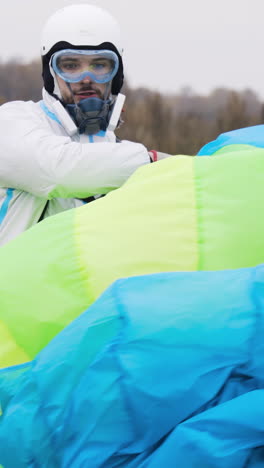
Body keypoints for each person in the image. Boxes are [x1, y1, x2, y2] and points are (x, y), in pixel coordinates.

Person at [0, 4, 169, 246]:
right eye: (70, 66)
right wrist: (153, 162)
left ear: (116, 73)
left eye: (100, 65)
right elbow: (59, 171)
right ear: (50, 72)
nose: (86, 78)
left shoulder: (117, 151)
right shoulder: (13, 121)